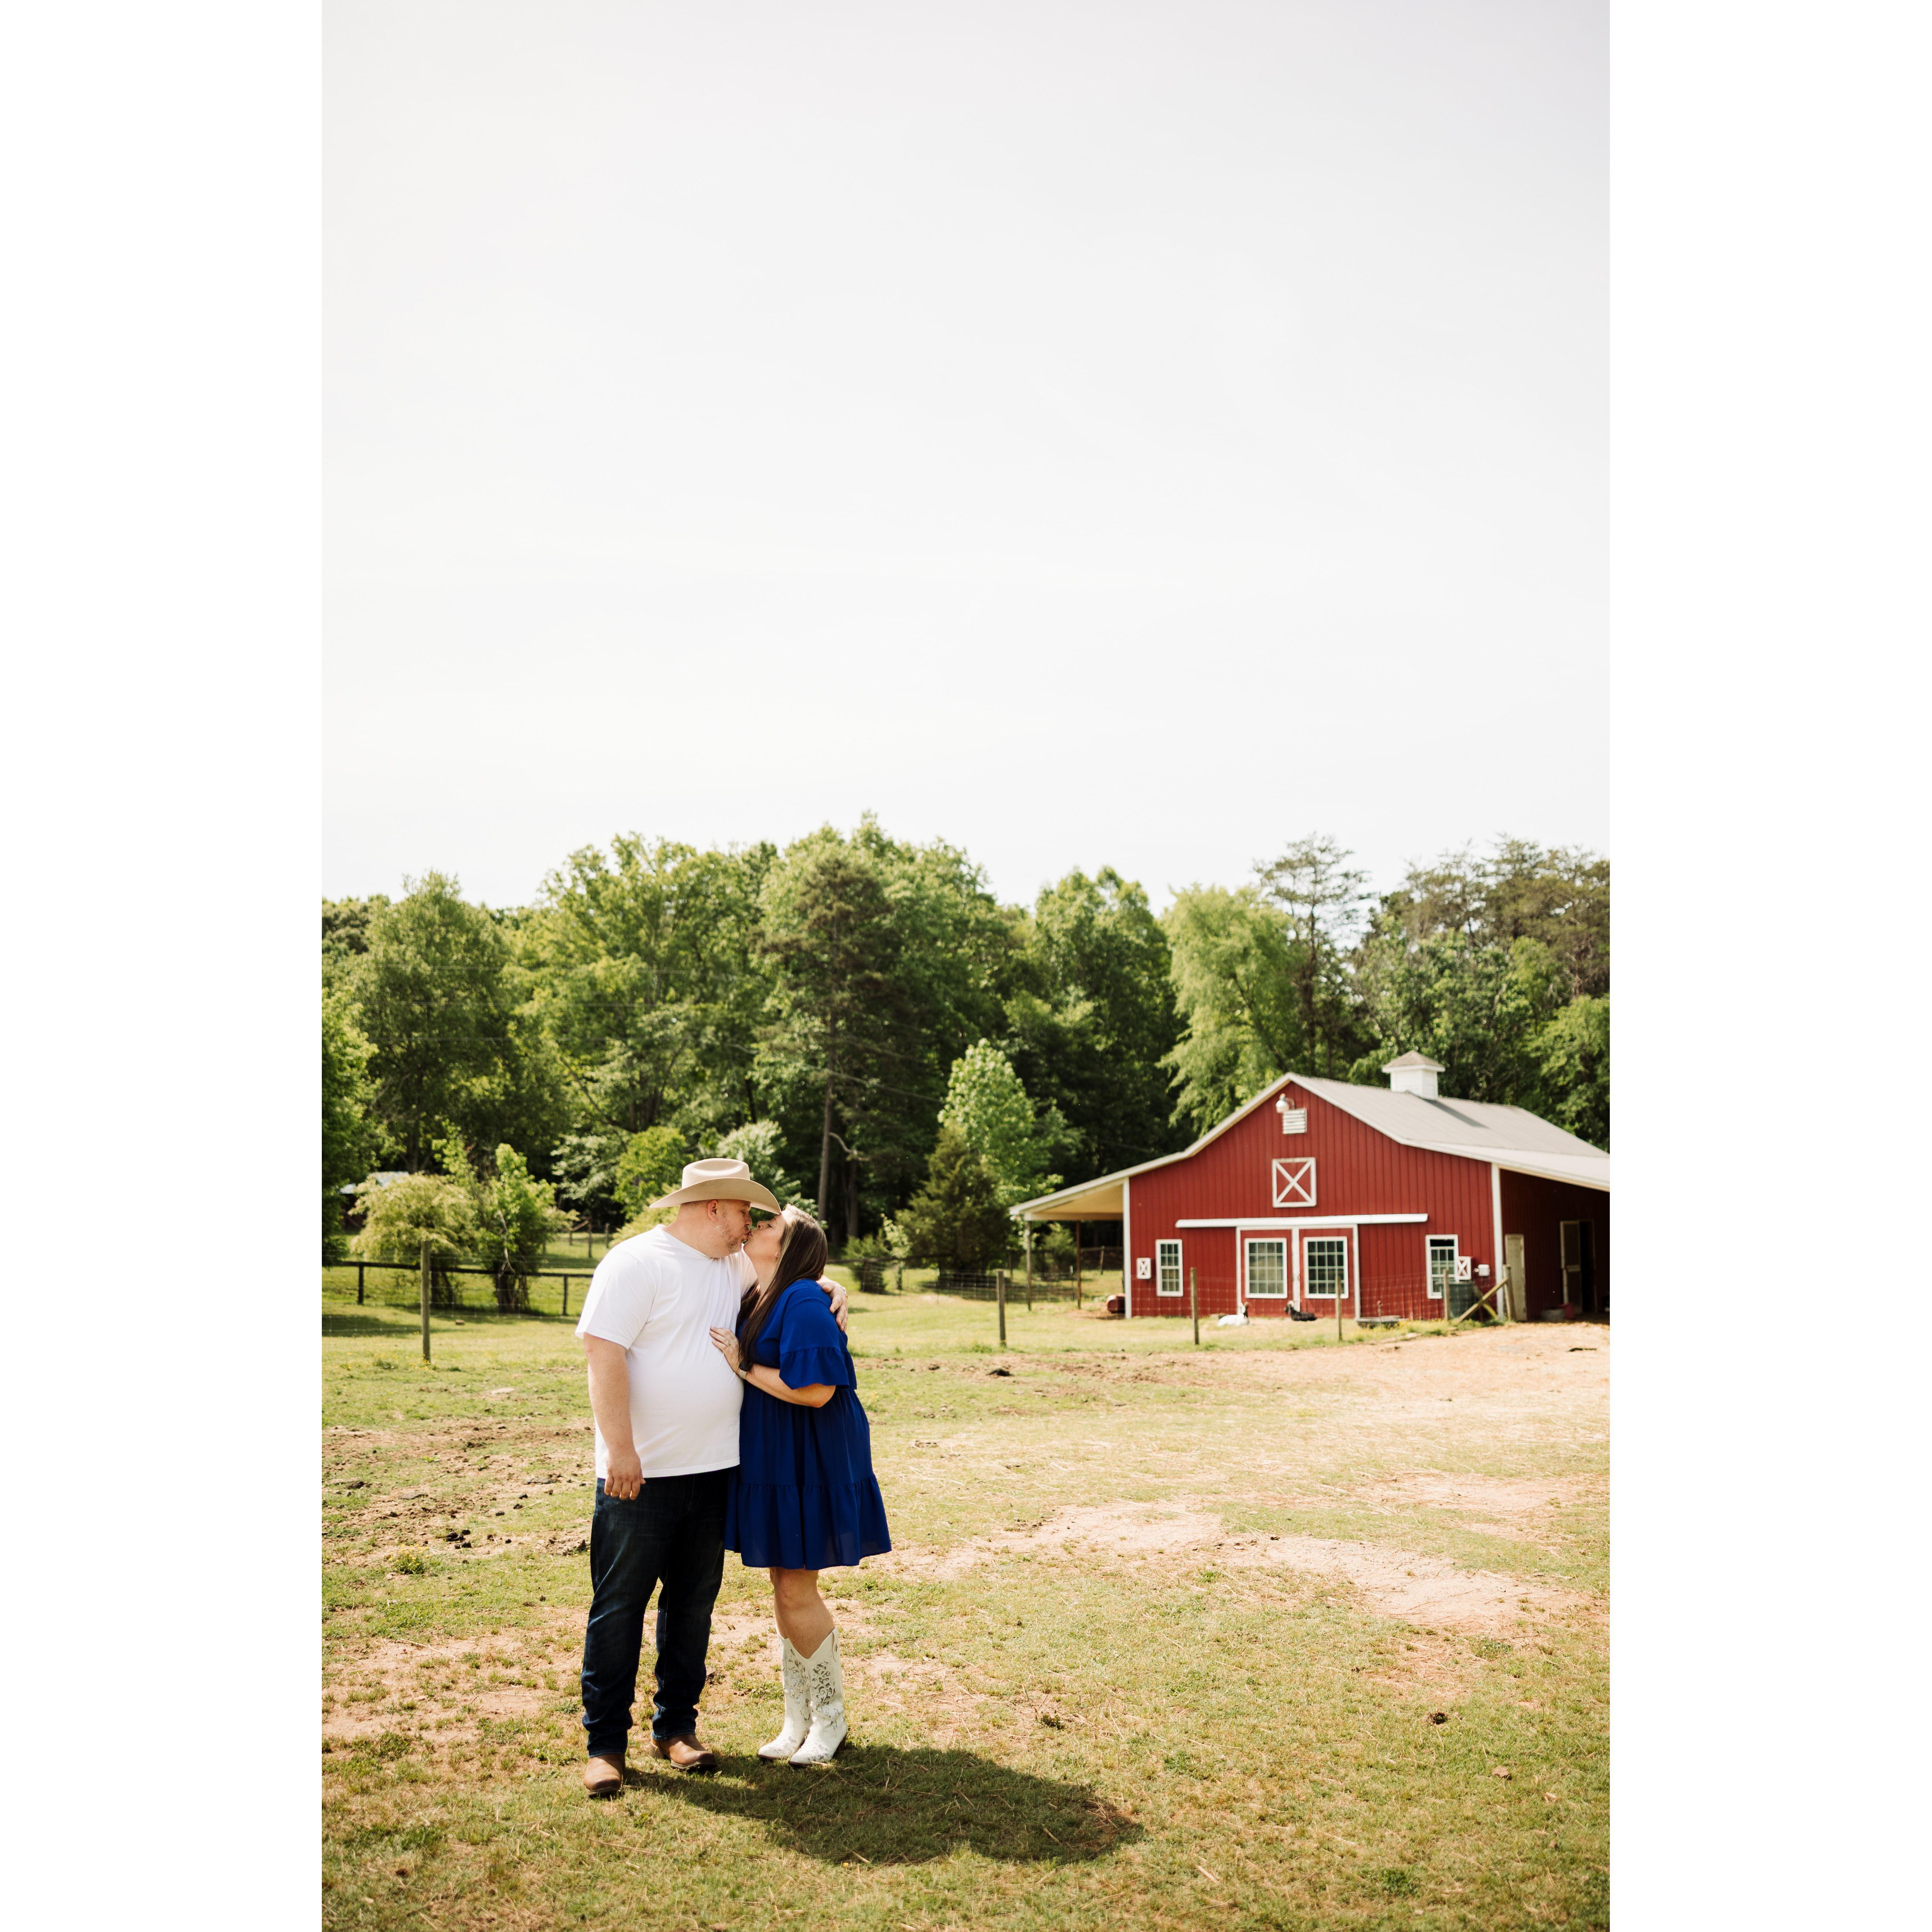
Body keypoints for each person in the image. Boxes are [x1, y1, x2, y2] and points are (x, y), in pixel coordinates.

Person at [573, 1158, 848, 1798]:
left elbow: (796, 1274)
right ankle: (605, 1744)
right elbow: (602, 1352)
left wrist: (834, 1289)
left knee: (691, 1609)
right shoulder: (635, 1262)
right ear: (714, 1207)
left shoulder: (732, 1265)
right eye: (745, 1211)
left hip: (719, 1470)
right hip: (642, 1472)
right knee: (618, 1608)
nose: (752, 1223)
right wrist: (621, 1449)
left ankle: (676, 1728)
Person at [707, 1206, 891, 1766]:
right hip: (775, 1452)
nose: (757, 1226)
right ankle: (798, 1718)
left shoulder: (805, 1301)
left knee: (795, 1587)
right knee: (782, 1584)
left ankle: (830, 1719)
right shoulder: (760, 1292)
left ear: (790, 1248)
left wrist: (743, 1366)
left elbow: (816, 1392)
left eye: (771, 1225)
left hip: (810, 1455)